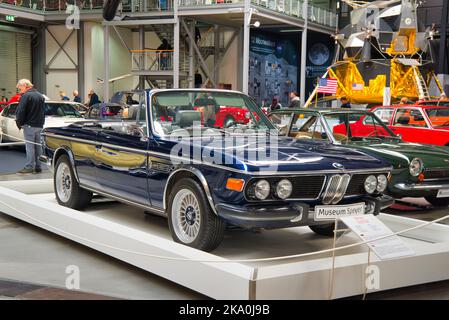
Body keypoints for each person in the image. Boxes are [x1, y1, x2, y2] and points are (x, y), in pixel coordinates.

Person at [15, 79, 45, 174]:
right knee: (38, 147)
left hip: (29, 125)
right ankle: (38, 166)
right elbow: (43, 111)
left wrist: (19, 123)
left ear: (25, 85)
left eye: (20, 89)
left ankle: (29, 166)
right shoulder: (41, 96)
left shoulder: (26, 96)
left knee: (30, 147)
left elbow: (20, 111)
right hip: (39, 125)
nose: (20, 91)